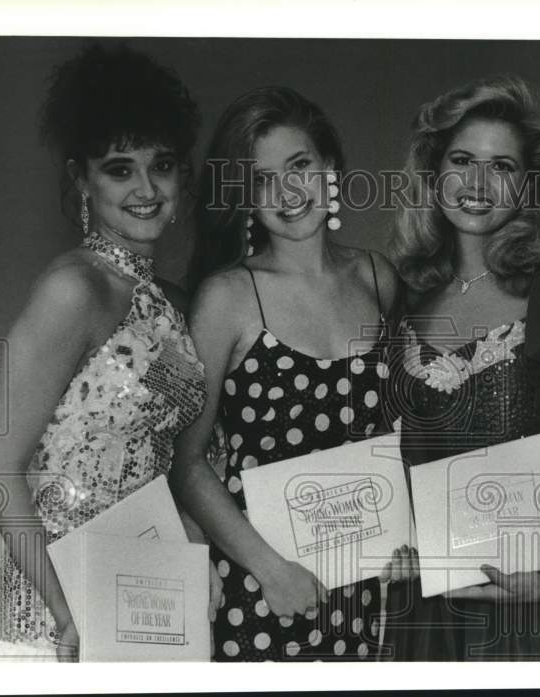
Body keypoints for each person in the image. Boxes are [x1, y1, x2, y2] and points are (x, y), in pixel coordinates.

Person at [381, 75, 540, 661]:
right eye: (462, 160)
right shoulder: (404, 293)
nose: (476, 183)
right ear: (434, 171)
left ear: (528, 184)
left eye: (502, 167)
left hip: (530, 597)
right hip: (429, 602)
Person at [0, 44, 205, 661]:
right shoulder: (71, 291)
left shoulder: (172, 300)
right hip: (60, 606)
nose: (147, 188)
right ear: (81, 178)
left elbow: (169, 460)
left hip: (141, 585)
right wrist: (67, 610)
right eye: (119, 169)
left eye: (163, 165)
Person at [172, 86, 399, 661]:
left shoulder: (378, 277)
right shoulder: (227, 297)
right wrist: (272, 571)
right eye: (262, 178)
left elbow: (396, 435)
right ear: (245, 197)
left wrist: (409, 536)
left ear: (330, 168)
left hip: (371, 588)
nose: (288, 192)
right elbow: (187, 462)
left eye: (299, 166)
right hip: (264, 591)